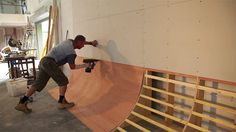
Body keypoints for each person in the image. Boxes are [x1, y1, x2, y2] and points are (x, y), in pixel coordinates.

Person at [15, 35, 98, 113]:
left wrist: (91, 43)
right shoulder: (71, 53)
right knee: (63, 81)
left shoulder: (69, 41)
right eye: (83, 44)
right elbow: (72, 67)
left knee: (37, 84)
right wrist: (86, 65)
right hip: (50, 63)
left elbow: (80, 40)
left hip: (44, 61)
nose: (83, 46)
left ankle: (21, 103)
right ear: (79, 42)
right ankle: (61, 102)